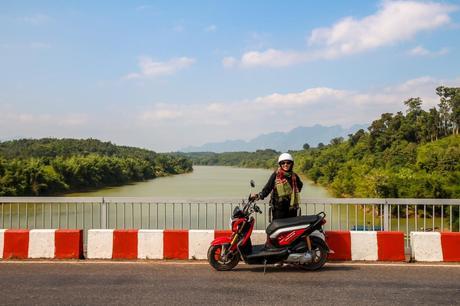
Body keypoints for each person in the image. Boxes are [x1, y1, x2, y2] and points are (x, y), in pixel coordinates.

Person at [250, 153, 303, 220]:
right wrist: (258, 196)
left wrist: (292, 193)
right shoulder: (276, 175)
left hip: (292, 210)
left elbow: (300, 186)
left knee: (291, 229)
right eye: (283, 163)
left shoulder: (294, 176)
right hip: (278, 210)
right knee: (279, 229)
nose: (285, 165)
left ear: (291, 164)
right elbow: (267, 188)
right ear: (280, 164)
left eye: (288, 162)